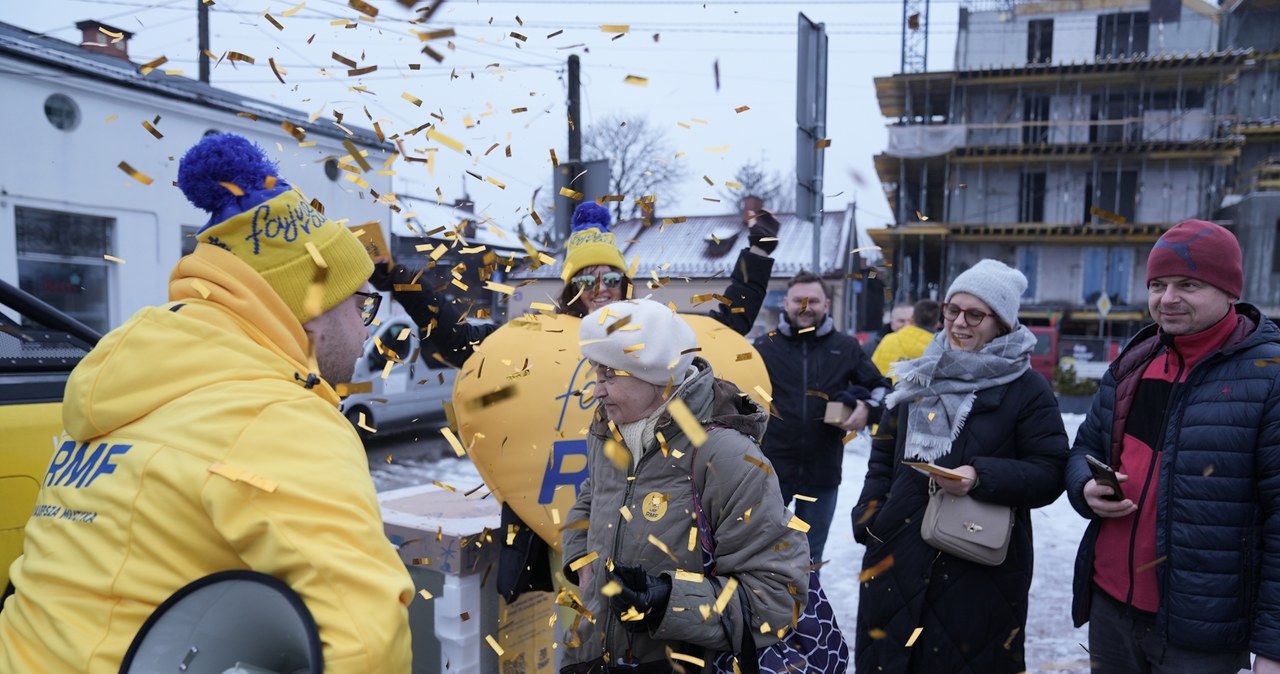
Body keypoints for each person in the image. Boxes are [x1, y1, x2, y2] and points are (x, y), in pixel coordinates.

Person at [0, 134, 412, 673]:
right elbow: (366, 643)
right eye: (360, 304)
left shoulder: (124, 385)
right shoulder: (276, 418)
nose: (365, 331)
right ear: (311, 308)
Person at [372, 200, 780, 602]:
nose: (599, 290)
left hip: (640, 520)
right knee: (570, 639)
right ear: (570, 287)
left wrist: (757, 256)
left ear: (625, 284)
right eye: (586, 280)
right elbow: (454, 337)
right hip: (550, 530)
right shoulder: (532, 339)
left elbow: (724, 327)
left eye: (610, 279)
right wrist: (395, 276)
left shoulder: (652, 339)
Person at [1066, 219, 1280, 674]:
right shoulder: (1135, 363)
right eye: (1158, 284)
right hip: (1110, 608)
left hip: (1202, 630)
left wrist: (1274, 645)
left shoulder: (1270, 375)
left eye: (1188, 284)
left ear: (1229, 292)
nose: (1168, 299)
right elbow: (1084, 447)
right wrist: (1085, 485)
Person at [560, 299, 809, 673]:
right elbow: (591, 496)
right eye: (596, 374)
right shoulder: (607, 430)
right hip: (592, 654)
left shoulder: (728, 457)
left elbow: (777, 597)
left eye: (609, 375)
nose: (597, 391)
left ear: (661, 377)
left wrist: (667, 602)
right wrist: (580, 559)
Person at [851, 259, 1068, 674]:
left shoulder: (1027, 389)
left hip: (978, 567)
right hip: (896, 557)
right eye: (953, 310)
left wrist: (982, 477)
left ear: (1001, 322)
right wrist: (870, 516)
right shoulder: (918, 376)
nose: (959, 324)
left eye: (975, 314)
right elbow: (883, 454)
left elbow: (1051, 471)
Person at [752, 270, 890, 565]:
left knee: (810, 560)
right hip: (770, 473)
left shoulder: (847, 347)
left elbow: (882, 388)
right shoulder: (764, 347)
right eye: (798, 300)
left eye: (813, 300)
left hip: (822, 473)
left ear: (826, 305)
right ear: (786, 303)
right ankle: (762, 611)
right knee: (760, 554)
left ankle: (804, 612)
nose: (805, 307)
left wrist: (867, 409)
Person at [871, 298, 940, 380]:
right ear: (937, 324)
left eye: (909, 321)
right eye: (901, 321)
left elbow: (871, 373)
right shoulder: (940, 347)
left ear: (913, 319)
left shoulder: (887, 340)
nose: (906, 325)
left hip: (887, 390)